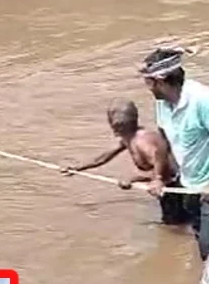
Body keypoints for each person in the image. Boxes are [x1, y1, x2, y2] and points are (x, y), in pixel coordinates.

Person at [61, 98, 186, 226]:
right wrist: (77, 168)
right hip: (166, 187)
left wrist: (134, 179)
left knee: (175, 227)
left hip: (175, 188)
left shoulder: (142, 141)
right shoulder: (128, 138)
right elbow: (104, 157)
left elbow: (167, 170)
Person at [140, 47, 209, 260]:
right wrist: (159, 177)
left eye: (148, 82)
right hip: (189, 186)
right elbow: (163, 142)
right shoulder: (163, 104)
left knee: (208, 247)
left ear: (160, 81)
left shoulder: (202, 100)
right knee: (199, 238)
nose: (147, 87)